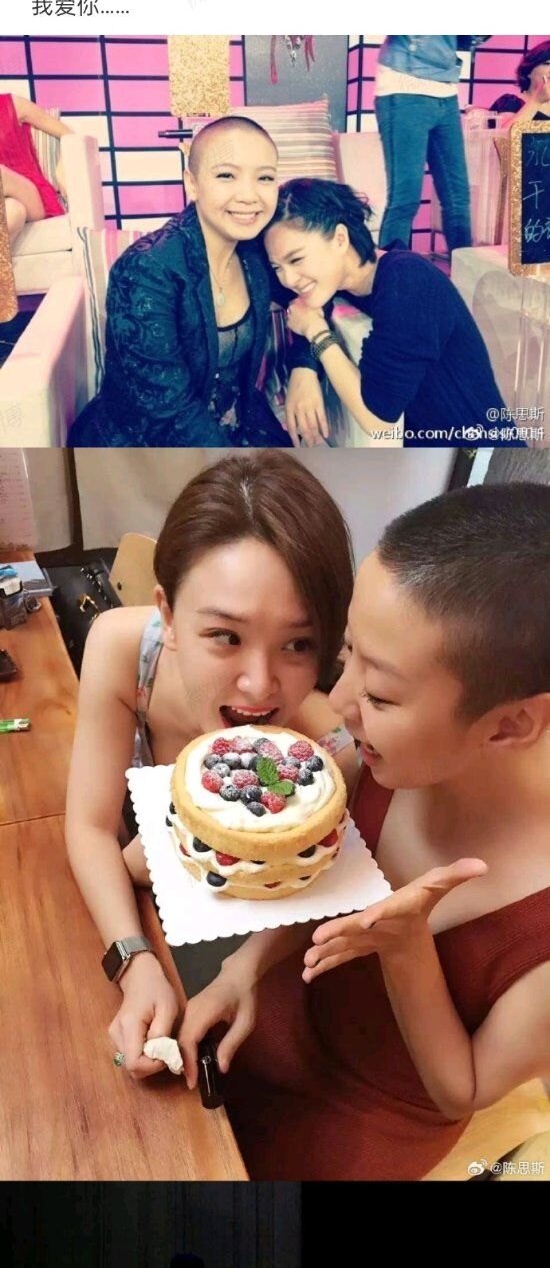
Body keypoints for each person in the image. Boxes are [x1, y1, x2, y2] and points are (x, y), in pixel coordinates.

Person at [180, 483, 550, 1180]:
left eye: (379, 693)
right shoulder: (388, 754)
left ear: (510, 724)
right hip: (278, 1010)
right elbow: (326, 868)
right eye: (346, 653)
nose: (340, 701)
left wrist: (407, 949)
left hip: (363, 1119)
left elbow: (462, 1089)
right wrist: (242, 969)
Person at [64, 449, 356, 1080]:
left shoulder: (319, 752)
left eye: (298, 644)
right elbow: (87, 826)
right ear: (168, 615)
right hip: (137, 914)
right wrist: (133, 962)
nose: (260, 684)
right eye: (226, 635)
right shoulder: (125, 652)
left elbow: (306, 894)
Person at [69, 115, 296, 447]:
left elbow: (313, 288)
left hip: (236, 419)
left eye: (265, 177)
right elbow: (167, 411)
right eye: (226, 175)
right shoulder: (146, 270)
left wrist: (305, 368)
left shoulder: (258, 250)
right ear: (192, 183)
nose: (249, 195)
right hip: (150, 443)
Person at [265, 180, 516, 448]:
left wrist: (317, 334)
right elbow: (307, 308)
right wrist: (304, 367)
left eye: (296, 260)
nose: (288, 279)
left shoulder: (407, 281)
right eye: (277, 267)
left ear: (339, 239)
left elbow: (378, 420)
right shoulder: (345, 282)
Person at [374, 35, 480, 252]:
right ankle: (392, 271)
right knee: (405, 199)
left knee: (458, 199)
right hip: (404, 85)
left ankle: (463, 272)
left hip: (447, 90)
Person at [0, 89, 68, 245]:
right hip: (10, 204)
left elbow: (67, 133)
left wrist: (62, 167)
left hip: (30, 196)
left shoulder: (12, 104)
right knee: (14, 212)